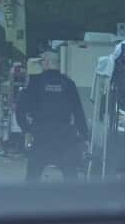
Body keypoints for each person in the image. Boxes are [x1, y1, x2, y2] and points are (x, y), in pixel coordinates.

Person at [16, 51, 89, 182]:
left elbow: (20, 110)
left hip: (41, 136)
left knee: (32, 178)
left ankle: (28, 201)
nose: (40, 65)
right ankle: (77, 201)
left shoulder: (34, 82)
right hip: (64, 137)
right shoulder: (68, 83)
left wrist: (26, 129)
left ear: (47, 63)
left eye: (42, 62)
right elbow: (78, 112)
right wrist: (85, 136)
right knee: (71, 177)